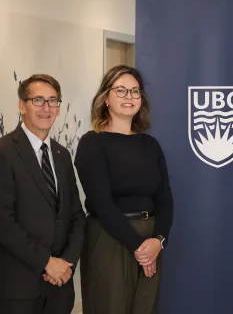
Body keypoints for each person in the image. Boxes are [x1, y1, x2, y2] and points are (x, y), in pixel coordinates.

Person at [75, 65, 174, 314]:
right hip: (110, 238)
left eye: (135, 91)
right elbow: (102, 204)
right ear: (106, 98)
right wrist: (139, 248)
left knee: (145, 308)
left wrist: (158, 241)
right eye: (121, 90)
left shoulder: (150, 144)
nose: (129, 97)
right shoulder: (92, 143)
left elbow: (165, 199)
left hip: (150, 239)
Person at [0, 74, 86, 313]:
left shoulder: (61, 155)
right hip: (19, 288)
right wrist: (47, 263)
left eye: (53, 101)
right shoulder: (4, 152)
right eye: (38, 100)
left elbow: (76, 216)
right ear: (21, 105)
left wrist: (66, 263)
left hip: (60, 287)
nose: (46, 108)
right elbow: (4, 222)